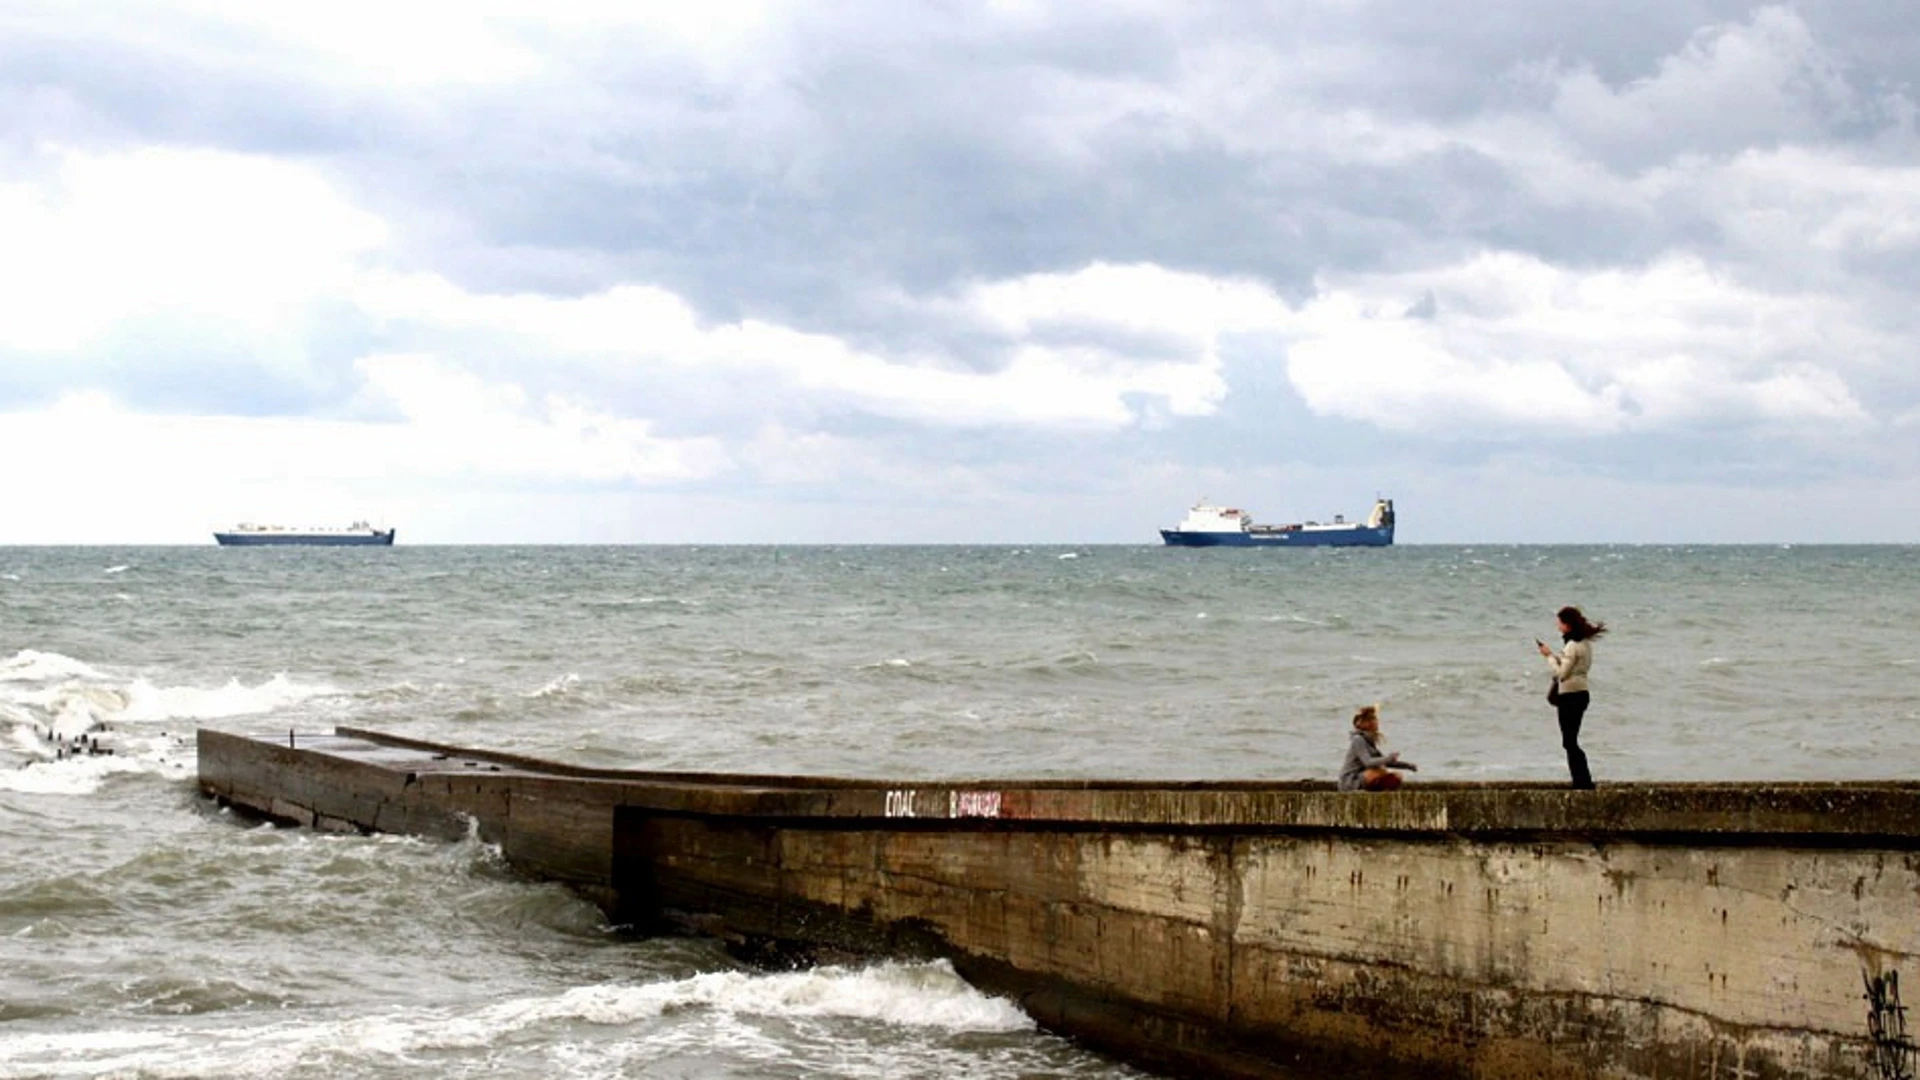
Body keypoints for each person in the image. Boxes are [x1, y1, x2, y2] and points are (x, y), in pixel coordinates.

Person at [1538, 605, 1607, 789]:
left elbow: (1562, 674)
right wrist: (1556, 656)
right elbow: (1575, 668)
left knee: (1569, 741)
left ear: (1567, 625)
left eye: (1560, 623)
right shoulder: (1585, 644)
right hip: (1582, 693)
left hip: (1570, 696)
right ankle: (1581, 780)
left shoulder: (1571, 646)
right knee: (1571, 739)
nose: (1558, 626)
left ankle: (1582, 780)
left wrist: (1548, 657)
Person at [1338, 704, 1417, 791]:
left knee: (1397, 776)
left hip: (1363, 777)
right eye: (1372, 719)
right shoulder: (1358, 740)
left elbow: (1385, 762)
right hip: (1350, 781)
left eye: (1375, 719)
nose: (1376, 722)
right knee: (1379, 770)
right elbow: (1367, 762)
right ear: (1364, 723)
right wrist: (1388, 758)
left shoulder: (1369, 742)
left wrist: (1408, 765)